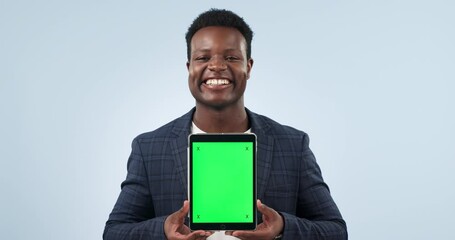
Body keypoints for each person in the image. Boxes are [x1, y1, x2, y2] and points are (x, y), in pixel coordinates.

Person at [103, 8, 347, 240]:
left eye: (231, 57)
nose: (217, 66)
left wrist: (282, 227)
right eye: (202, 57)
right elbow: (114, 232)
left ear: (248, 67)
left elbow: (335, 231)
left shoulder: (293, 144)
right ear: (189, 68)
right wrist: (163, 231)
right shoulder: (149, 148)